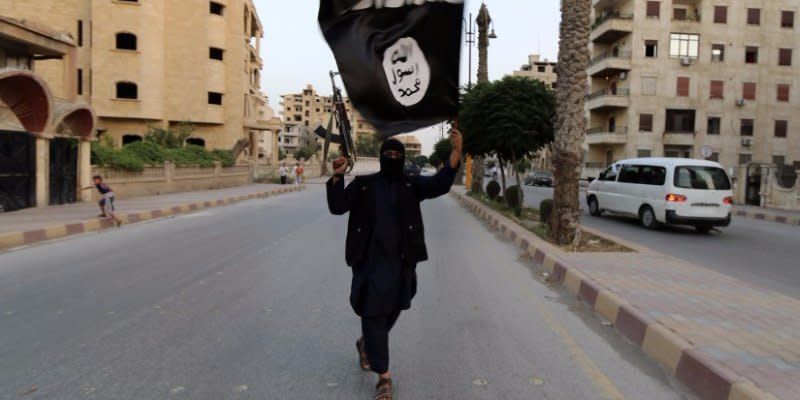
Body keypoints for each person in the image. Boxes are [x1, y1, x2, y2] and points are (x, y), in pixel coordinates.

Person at [327, 129, 462, 400]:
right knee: (374, 313)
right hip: (369, 263)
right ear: (380, 158)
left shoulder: (411, 184)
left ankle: (368, 342)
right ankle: (384, 377)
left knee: (396, 305)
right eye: (387, 154)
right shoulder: (365, 185)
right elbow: (338, 206)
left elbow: (440, 184)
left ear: (402, 158)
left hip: (402, 263)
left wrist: (456, 152)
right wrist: (338, 176)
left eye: (396, 155)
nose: (392, 158)